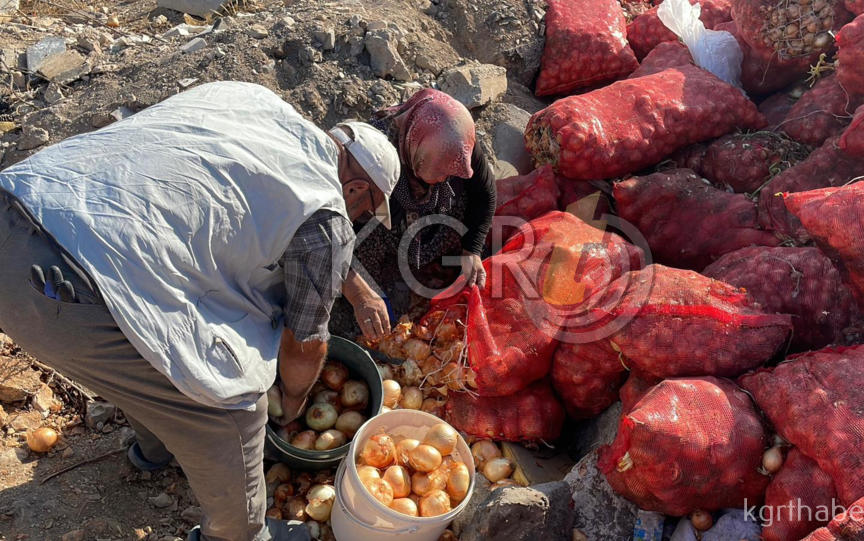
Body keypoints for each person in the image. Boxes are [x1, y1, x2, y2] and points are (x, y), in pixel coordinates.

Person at [0, 82, 400, 541]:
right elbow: (305, 346)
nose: (356, 220)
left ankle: (153, 450)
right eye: (363, 211)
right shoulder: (327, 216)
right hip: (68, 288)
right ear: (353, 187)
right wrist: (291, 404)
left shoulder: (254, 101)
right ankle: (238, 535)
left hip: (21, 205)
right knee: (234, 411)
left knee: (149, 356)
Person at [331, 89, 497, 341]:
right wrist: (360, 294)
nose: (446, 178)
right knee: (359, 250)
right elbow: (330, 235)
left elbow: (485, 193)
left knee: (462, 195)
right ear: (415, 155)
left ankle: (435, 263)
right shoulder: (374, 160)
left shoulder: (456, 138)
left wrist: (472, 249)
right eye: (440, 172)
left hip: (426, 209)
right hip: (381, 222)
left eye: (448, 174)